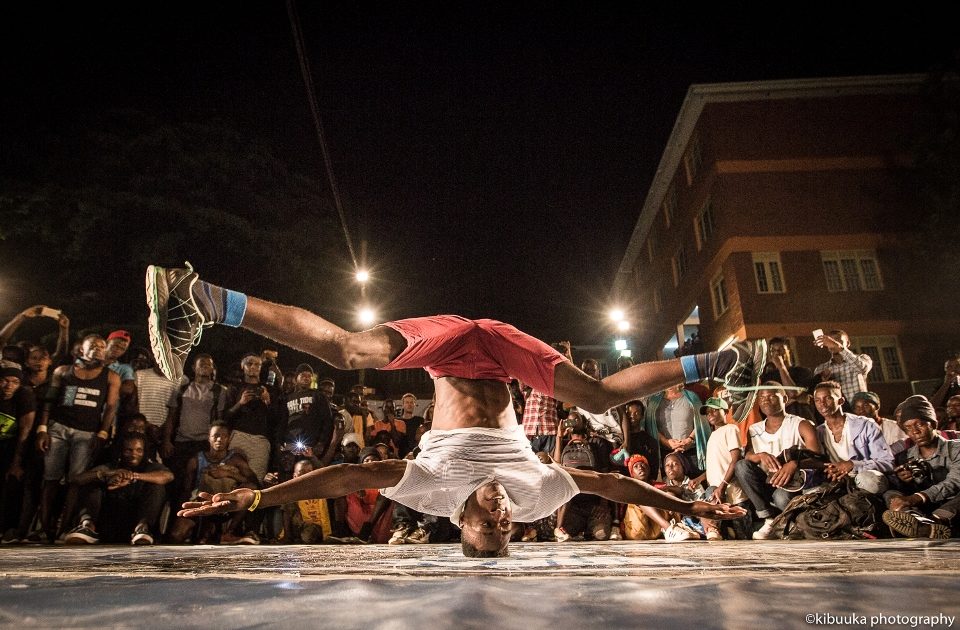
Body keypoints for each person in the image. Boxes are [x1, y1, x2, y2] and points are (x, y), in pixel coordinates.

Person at [149, 262, 760, 556]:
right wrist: (686, 505)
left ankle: (201, 296)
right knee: (598, 396)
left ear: (462, 524)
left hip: (446, 349)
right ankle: (720, 361)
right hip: (500, 352)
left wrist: (258, 497)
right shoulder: (533, 497)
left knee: (348, 351)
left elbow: (348, 477)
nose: (500, 516)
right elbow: (613, 486)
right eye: (505, 528)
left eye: (487, 526)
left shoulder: (433, 492)